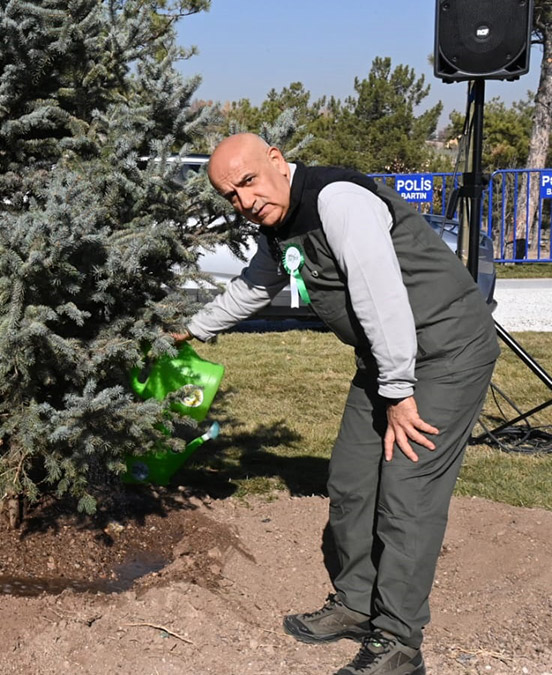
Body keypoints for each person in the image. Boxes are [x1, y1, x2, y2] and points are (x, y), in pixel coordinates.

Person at [175, 134, 499, 675]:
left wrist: (397, 392)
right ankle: (355, 604)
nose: (245, 201)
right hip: (386, 358)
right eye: (231, 195)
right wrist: (190, 330)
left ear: (277, 162)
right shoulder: (279, 225)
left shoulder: (338, 201)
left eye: (249, 182)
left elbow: (381, 296)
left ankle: (398, 641)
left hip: (443, 350)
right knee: (351, 481)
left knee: (408, 491)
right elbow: (257, 284)